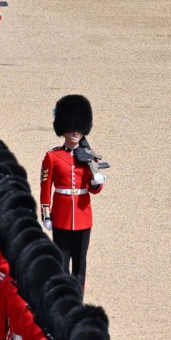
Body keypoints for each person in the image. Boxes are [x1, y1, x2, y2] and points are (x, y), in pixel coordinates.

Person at [39, 95, 105, 289]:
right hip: (61, 215)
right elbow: (45, 187)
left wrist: (96, 182)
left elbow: (95, 189)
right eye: (72, 128)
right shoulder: (53, 157)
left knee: (80, 265)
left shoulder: (90, 156)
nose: (76, 132)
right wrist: (46, 214)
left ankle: (77, 301)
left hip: (83, 216)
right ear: (64, 129)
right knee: (61, 264)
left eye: (79, 128)